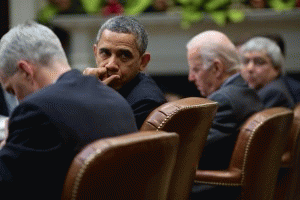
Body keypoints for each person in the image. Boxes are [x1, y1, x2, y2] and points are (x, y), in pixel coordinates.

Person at [0, 21, 138, 200]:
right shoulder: (115, 99)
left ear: (26, 71)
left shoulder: (36, 111)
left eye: (12, 90)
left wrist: (7, 143)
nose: (17, 99)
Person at [186, 30, 263, 199]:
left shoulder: (224, 100)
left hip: (213, 191)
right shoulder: (246, 92)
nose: (191, 77)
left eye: (196, 69)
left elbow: (193, 152)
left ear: (217, 68)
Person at [83, 16, 166, 129]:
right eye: (105, 53)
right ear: (95, 52)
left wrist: (87, 96)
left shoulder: (146, 102)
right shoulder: (98, 88)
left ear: (143, 62)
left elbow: (95, 141)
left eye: (124, 55)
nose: (111, 64)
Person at [240, 36, 295, 109]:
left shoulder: (273, 93)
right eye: (246, 62)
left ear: (276, 68)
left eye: (259, 62)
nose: (250, 68)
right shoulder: (262, 89)